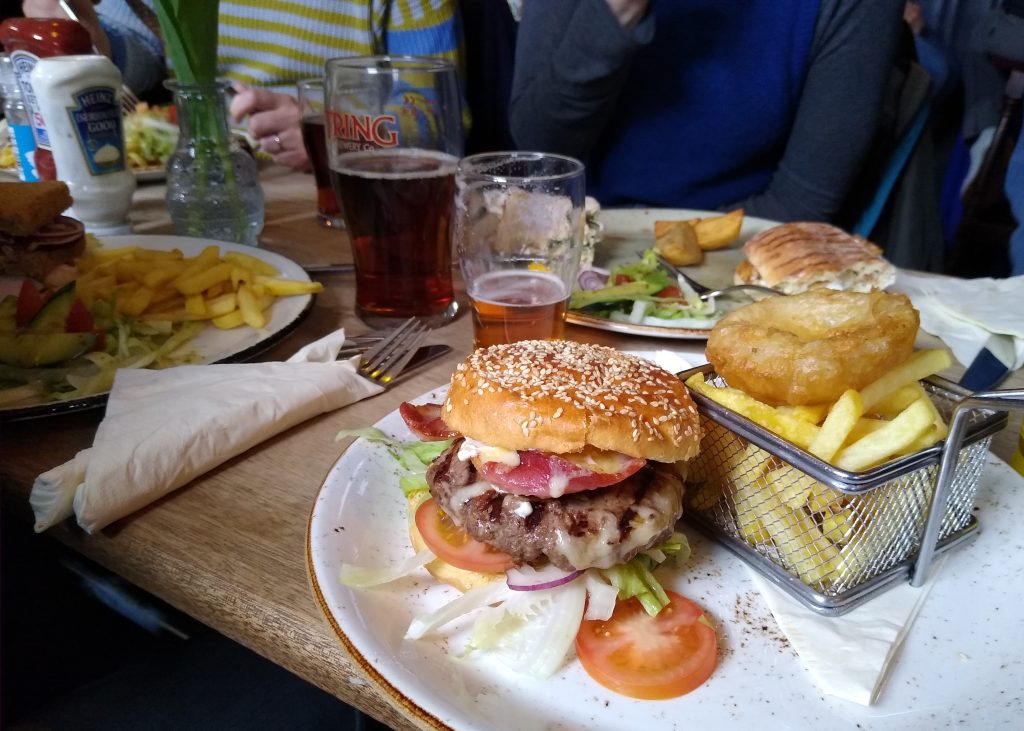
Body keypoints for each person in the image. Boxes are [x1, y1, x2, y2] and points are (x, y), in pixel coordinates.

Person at [509, 0, 905, 223]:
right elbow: (541, 154)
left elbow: (805, 202)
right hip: (571, 238)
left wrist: (656, 259)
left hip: (736, 261)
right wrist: (614, 14)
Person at [21, 0, 462, 170]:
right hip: (187, 180)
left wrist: (342, 131)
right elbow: (136, 56)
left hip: (334, 198)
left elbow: (436, 115)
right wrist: (84, 28)